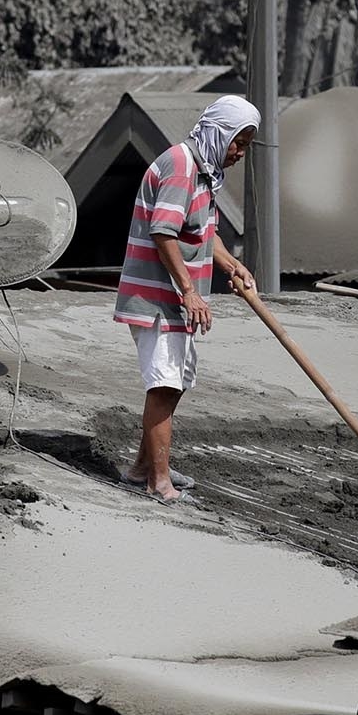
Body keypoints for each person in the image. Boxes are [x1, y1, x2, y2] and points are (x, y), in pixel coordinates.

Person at [113, 94, 260, 502]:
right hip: (159, 298)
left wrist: (232, 266)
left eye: (245, 145)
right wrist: (190, 291)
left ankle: (145, 466)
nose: (239, 153)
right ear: (219, 132)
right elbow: (164, 232)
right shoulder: (180, 166)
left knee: (174, 383)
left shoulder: (203, 171)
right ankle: (158, 483)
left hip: (174, 299)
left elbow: (202, 233)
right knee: (163, 384)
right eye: (238, 142)